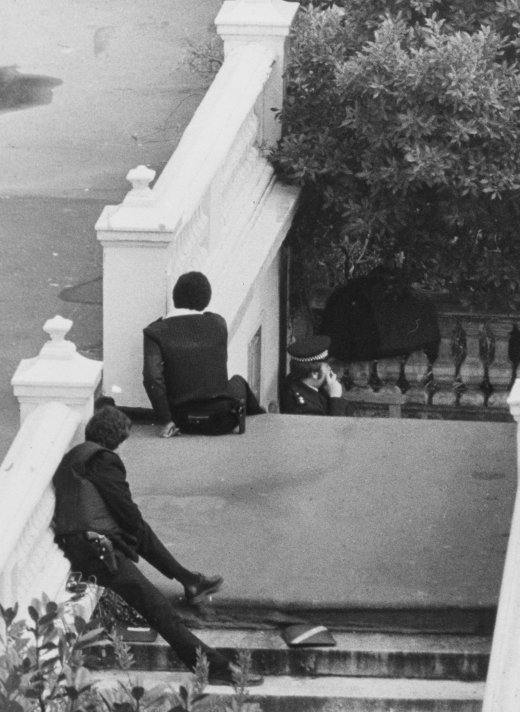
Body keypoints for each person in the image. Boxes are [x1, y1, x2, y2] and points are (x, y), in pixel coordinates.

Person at [51, 399, 263, 686]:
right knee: (159, 610)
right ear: (116, 439)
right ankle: (216, 668)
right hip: (98, 550)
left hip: (80, 544)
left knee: (143, 541)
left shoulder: (74, 458)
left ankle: (190, 580)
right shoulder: (103, 459)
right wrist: (135, 535)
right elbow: (126, 512)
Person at [143, 271, 264, 437]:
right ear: (206, 300)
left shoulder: (154, 331)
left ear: (174, 296)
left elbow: (153, 378)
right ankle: (263, 417)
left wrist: (166, 420)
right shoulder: (218, 323)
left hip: (181, 419)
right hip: (221, 419)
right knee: (239, 382)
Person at [279, 335, 351, 416]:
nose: (329, 369)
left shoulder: (297, 381)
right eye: (327, 366)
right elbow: (332, 428)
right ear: (315, 374)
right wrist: (336, 398)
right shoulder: (304, 407)